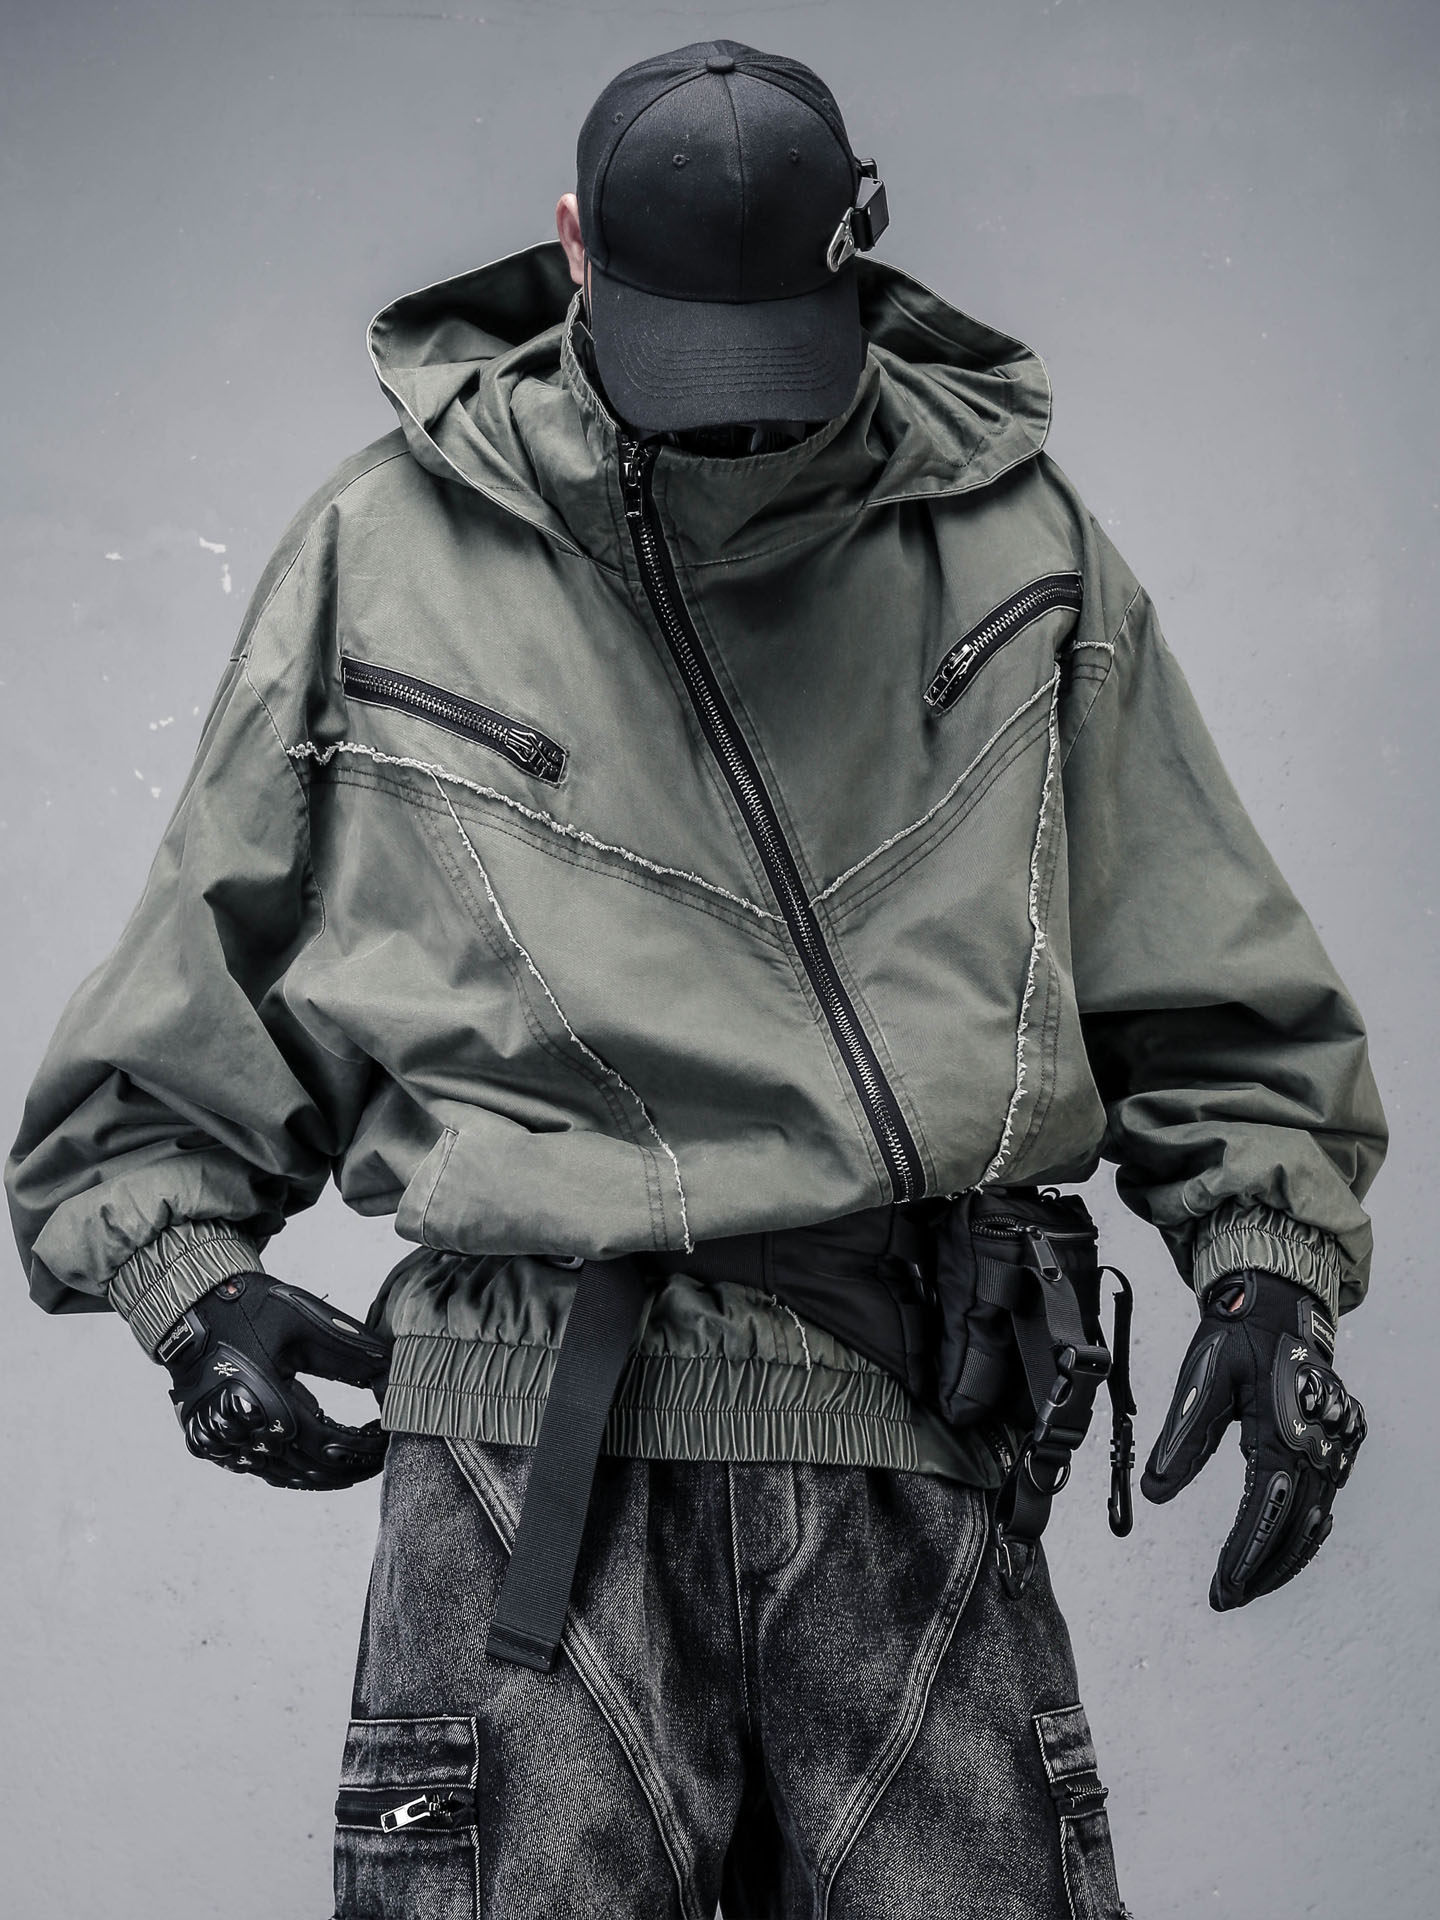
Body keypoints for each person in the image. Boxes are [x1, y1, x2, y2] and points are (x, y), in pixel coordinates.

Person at [6, 38, 1384, 1920]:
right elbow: (184, 1010)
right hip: (527, 1470)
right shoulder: (385, 556)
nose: (733, 435)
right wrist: (185, 1287)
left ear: (854, 257)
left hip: (904, 1437)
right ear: (573, 247)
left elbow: (1204, 967)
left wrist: (1270, 1268)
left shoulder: (1014, 548)